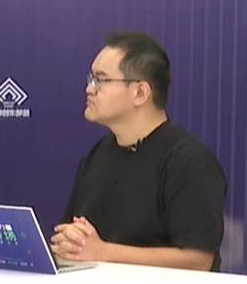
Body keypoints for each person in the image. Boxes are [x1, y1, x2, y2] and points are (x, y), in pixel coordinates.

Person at [50, 31, 227, 271]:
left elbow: (197, 261)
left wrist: (104, 253)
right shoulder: (98, 154)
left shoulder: (190, 161)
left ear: (140, 93)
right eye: (91, 78)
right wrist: (68, 244)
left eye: (101, 80)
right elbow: (77, 239)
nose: (89, 89)